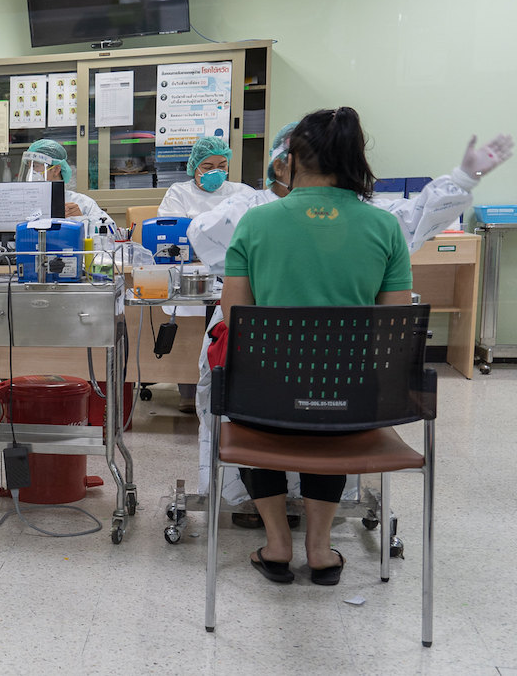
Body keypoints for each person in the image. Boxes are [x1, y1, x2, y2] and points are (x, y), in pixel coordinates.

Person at [221, 108, 514, 585]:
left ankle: (277, 544)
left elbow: (237, 323)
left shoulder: (255, 225)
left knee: (259, 405)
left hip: (262, 404)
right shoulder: (384, 229)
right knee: (331, 420)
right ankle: (320, 550)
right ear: (354, 162)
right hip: (350, 403)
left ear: (289, 160)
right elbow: (391, 332)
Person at [18, 139, 115, 229]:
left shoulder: (82, 203)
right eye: (29, 167)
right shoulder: (22, 202)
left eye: (35, 166)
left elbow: (111, 232)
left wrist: (81, 220)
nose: (31, 172)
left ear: (56, 169)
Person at [157, 136, 255, 218]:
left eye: (221, 166)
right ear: (194, 167)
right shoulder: (179, 193)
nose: (215, 172)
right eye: (208, 167)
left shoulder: (243, 192)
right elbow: (172, 233)